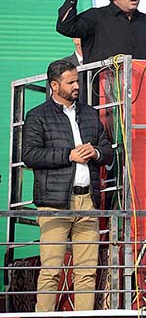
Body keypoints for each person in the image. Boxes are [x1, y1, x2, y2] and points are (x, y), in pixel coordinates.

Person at [22, 59, 113, 312]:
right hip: (54, 206)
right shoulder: (37, 116)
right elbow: (29, 155)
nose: (76, 86)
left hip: (88, 204)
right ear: (54, 85)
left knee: (86, 274)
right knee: (51, 271)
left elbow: (108, 152)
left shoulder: (89, 114)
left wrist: (94, 152)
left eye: (77, 81)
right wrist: (68, 155)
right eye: (70, 82)